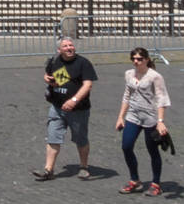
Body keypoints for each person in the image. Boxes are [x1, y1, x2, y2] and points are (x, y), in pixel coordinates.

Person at [34, 37, 101, 181]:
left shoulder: (83, 63)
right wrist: (48, 79)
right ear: (59, 50)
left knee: (80, 139)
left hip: (78, 110)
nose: (69, 48)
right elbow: (57, 80)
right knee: (53, 137)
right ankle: (48, 170)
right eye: (65, 46)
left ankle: (84, 167)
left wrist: (74, 100)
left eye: (71, 45)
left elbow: (87, 85)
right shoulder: (55, 61)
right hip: (57, 107)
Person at [114, 47, 170, 195]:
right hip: (133, 115)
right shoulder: (129, 74)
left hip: (150, 117)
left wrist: (160, 121)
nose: (136, 62)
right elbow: (127, 95)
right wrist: (121, 116)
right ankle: (135, 180)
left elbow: (161, 99)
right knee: (126, 146)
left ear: (146, 59)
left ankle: (156, 184)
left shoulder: (155, 76)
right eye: (133, 59)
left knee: (152, 151)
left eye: (139, 59)